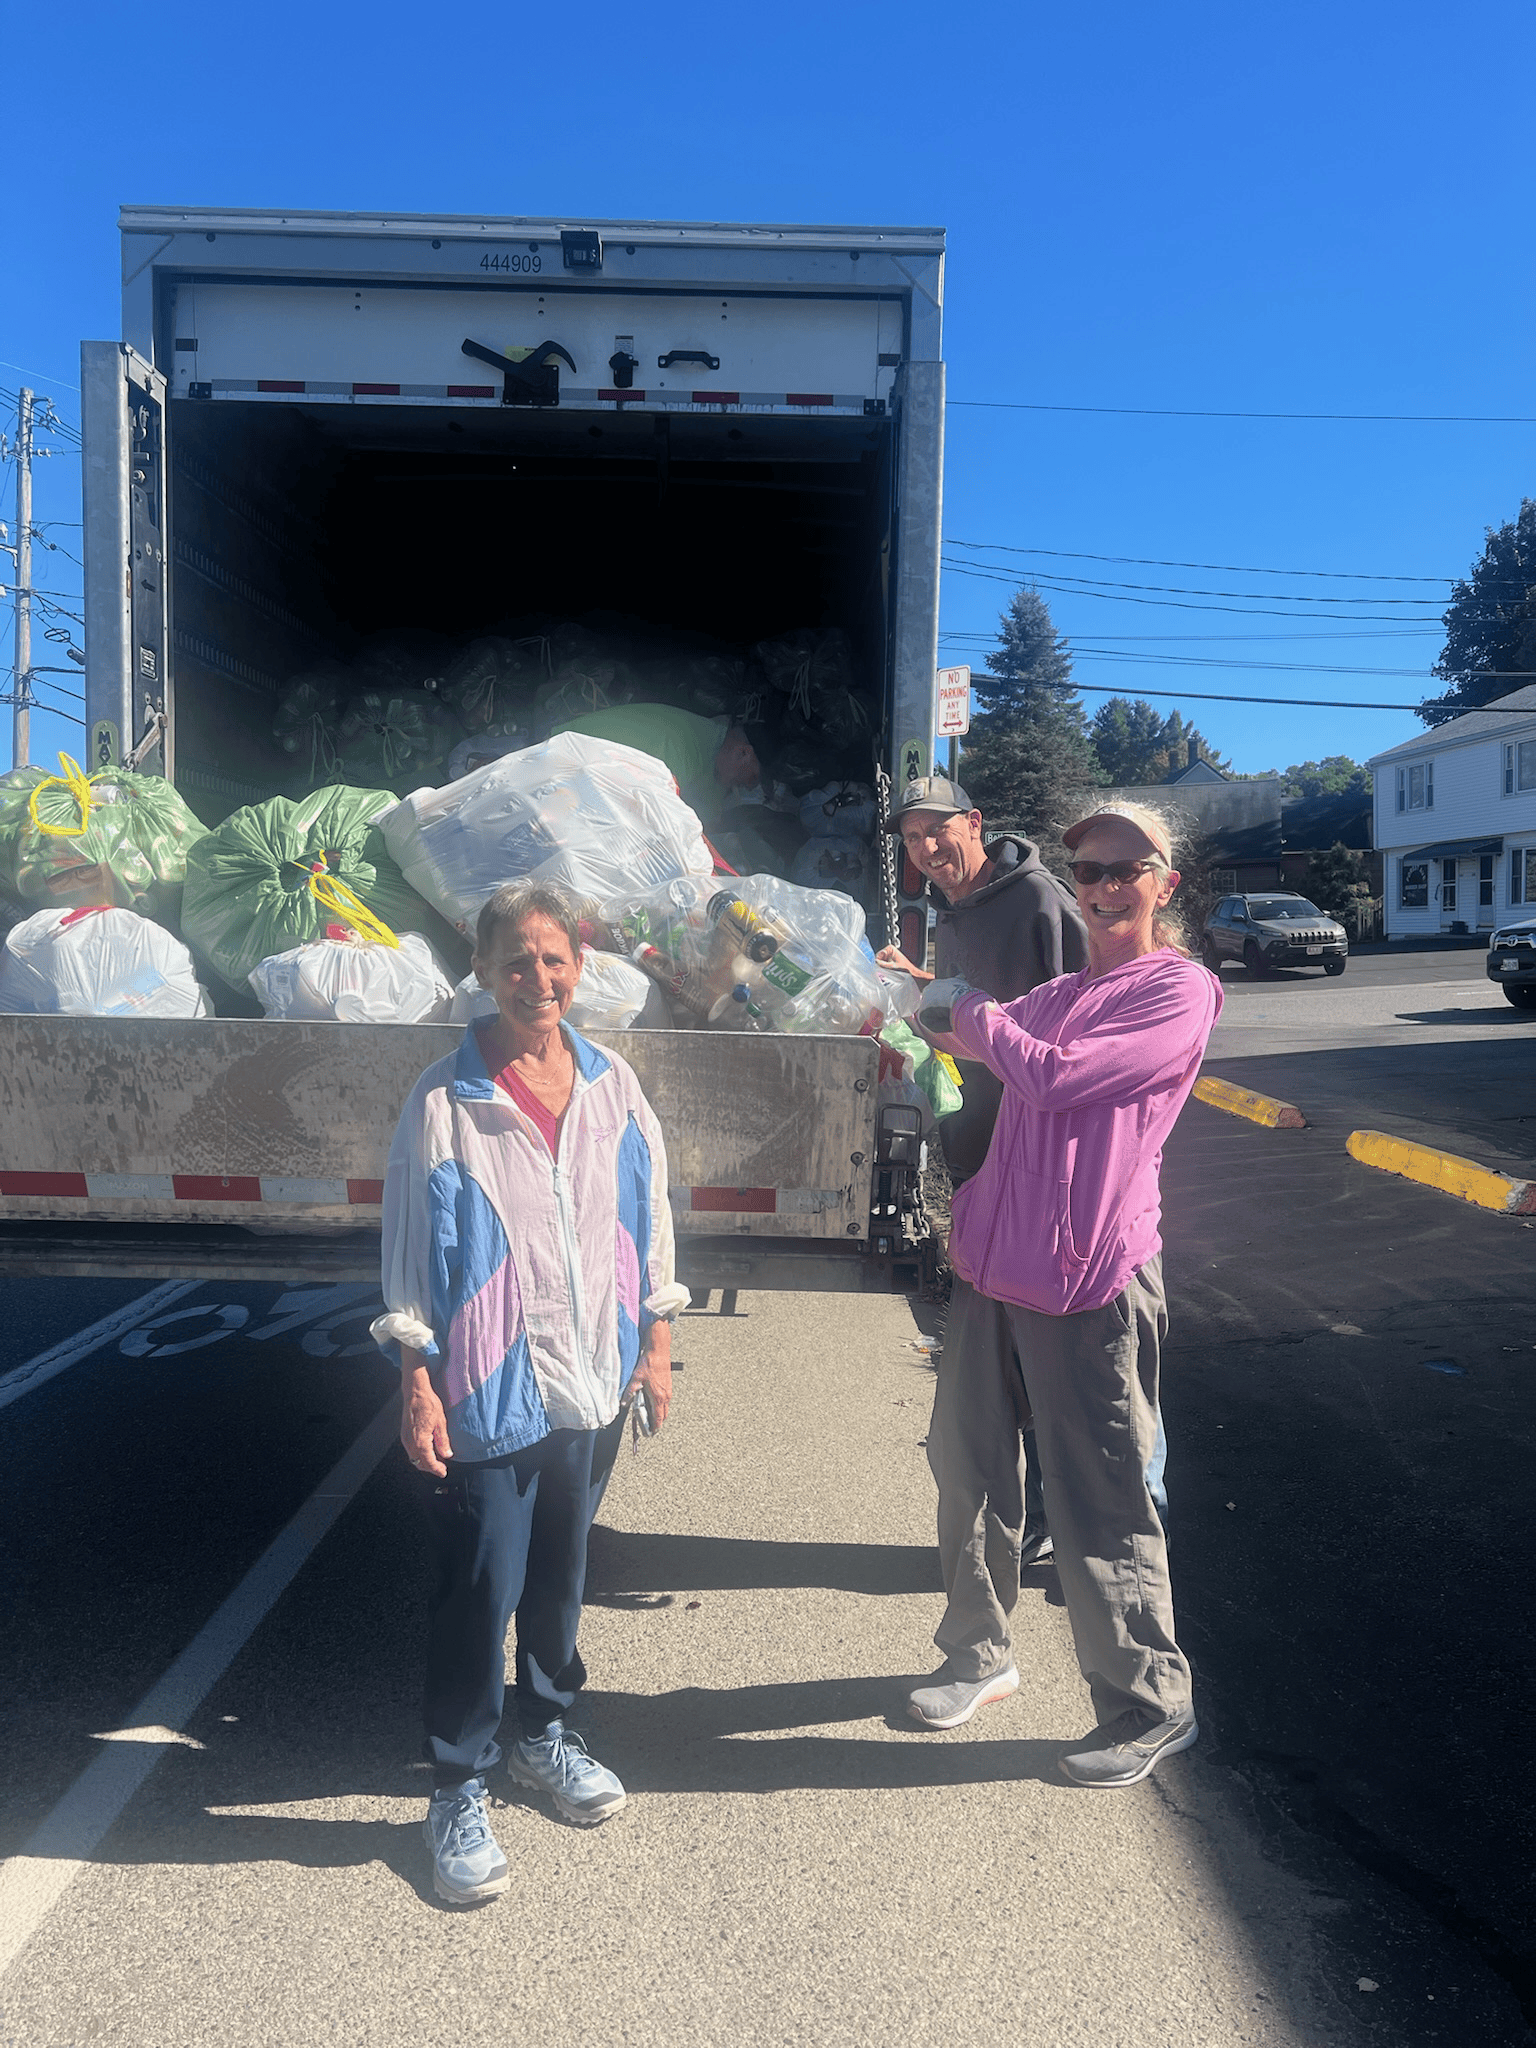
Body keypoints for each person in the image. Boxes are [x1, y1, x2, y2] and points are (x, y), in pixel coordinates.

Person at [371, 882, 689, 1903]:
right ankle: (456, 1780)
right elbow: (409, 1257)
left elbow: (647, 1216)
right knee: (480, 1583)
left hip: (591, 1378)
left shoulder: (612, 1082)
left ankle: (544, 1731)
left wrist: (659, 1339)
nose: (538, 979)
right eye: (517, 959)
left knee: (561, 1571)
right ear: (483, 967)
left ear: (579, 965)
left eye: (554, 959)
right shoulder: (443, 1100)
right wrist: (416, 1379)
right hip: (490, 1384)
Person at [913, 800, 1221, 1788]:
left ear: (1164, 880)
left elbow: (1050, 1075)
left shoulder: (1179, 990)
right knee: (964, 1467)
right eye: (1088, 868)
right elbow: (974, 1047)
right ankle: (977, 1654)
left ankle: (1148, 1700)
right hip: (997, 1263)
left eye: (1125, 867)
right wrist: (894, 1008)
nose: (1101, 885)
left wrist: (965, 1011)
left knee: (1101, 1497)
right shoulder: (1057, 992)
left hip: (1090, 1276)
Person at [875, 777, 1088, 1731]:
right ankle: (988, 1637)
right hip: (982, 1182)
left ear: (977, 824)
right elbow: (968, 1027)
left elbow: (1062, 1045)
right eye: (912, 837)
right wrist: (917, 1005)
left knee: (1079, 1417)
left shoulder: (1039, 907)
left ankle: (1091, 1592)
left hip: (1045, 1194)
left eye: (938, 830)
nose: (926, 847)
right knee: (973, 1426)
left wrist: (945, 1006)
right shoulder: (950, 916)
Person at [549, 702, 761, 824]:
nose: (739, 788)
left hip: (580, 770)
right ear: (743, 752)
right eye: (749, 779)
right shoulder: (684, 749)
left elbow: (708, 805)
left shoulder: (711, 744)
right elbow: (661, 817)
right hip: (561, 759)